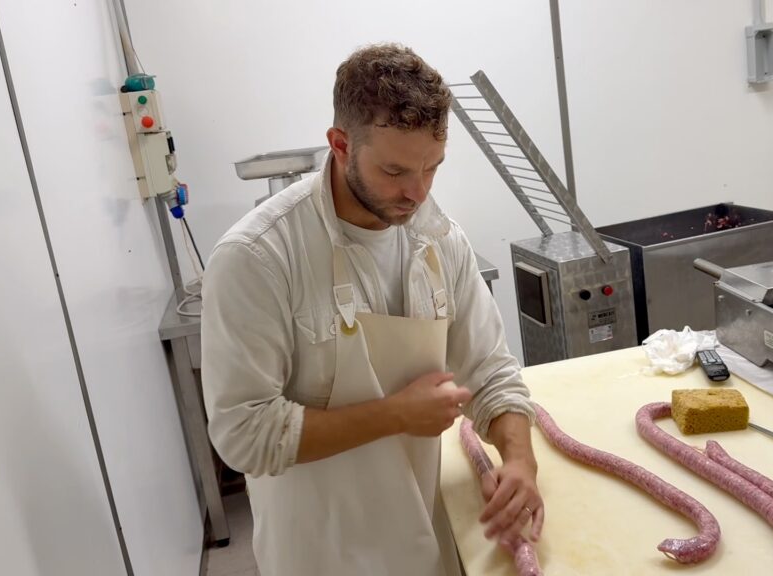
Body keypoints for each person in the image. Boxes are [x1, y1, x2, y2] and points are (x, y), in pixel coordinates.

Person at [201, 43, 544, 576]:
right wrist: (396, 415)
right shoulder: (258, 257)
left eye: (432, 168)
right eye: (394, 171)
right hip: (320, 552)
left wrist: (520, 459)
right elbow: (243, 434)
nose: (417, 193)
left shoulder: (438, 239)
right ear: (340, 145)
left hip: (423, 531)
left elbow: (491, 372)